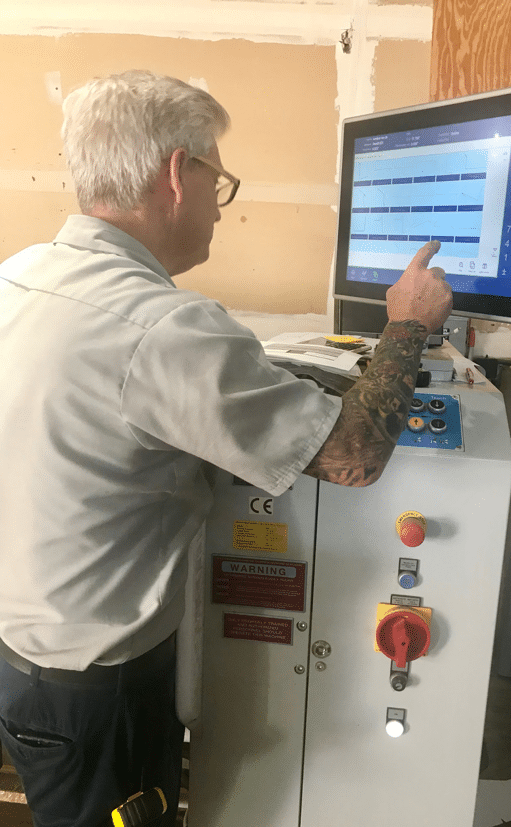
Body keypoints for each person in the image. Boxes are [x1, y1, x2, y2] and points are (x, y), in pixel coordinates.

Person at [0, 70, 452, 827]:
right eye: (222, 179)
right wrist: (405, 325)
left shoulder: (22, 273)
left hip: (26, 657)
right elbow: (355, 455)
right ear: (179, 173)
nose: (220, 204)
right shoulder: (167, 329)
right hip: (98, 690)